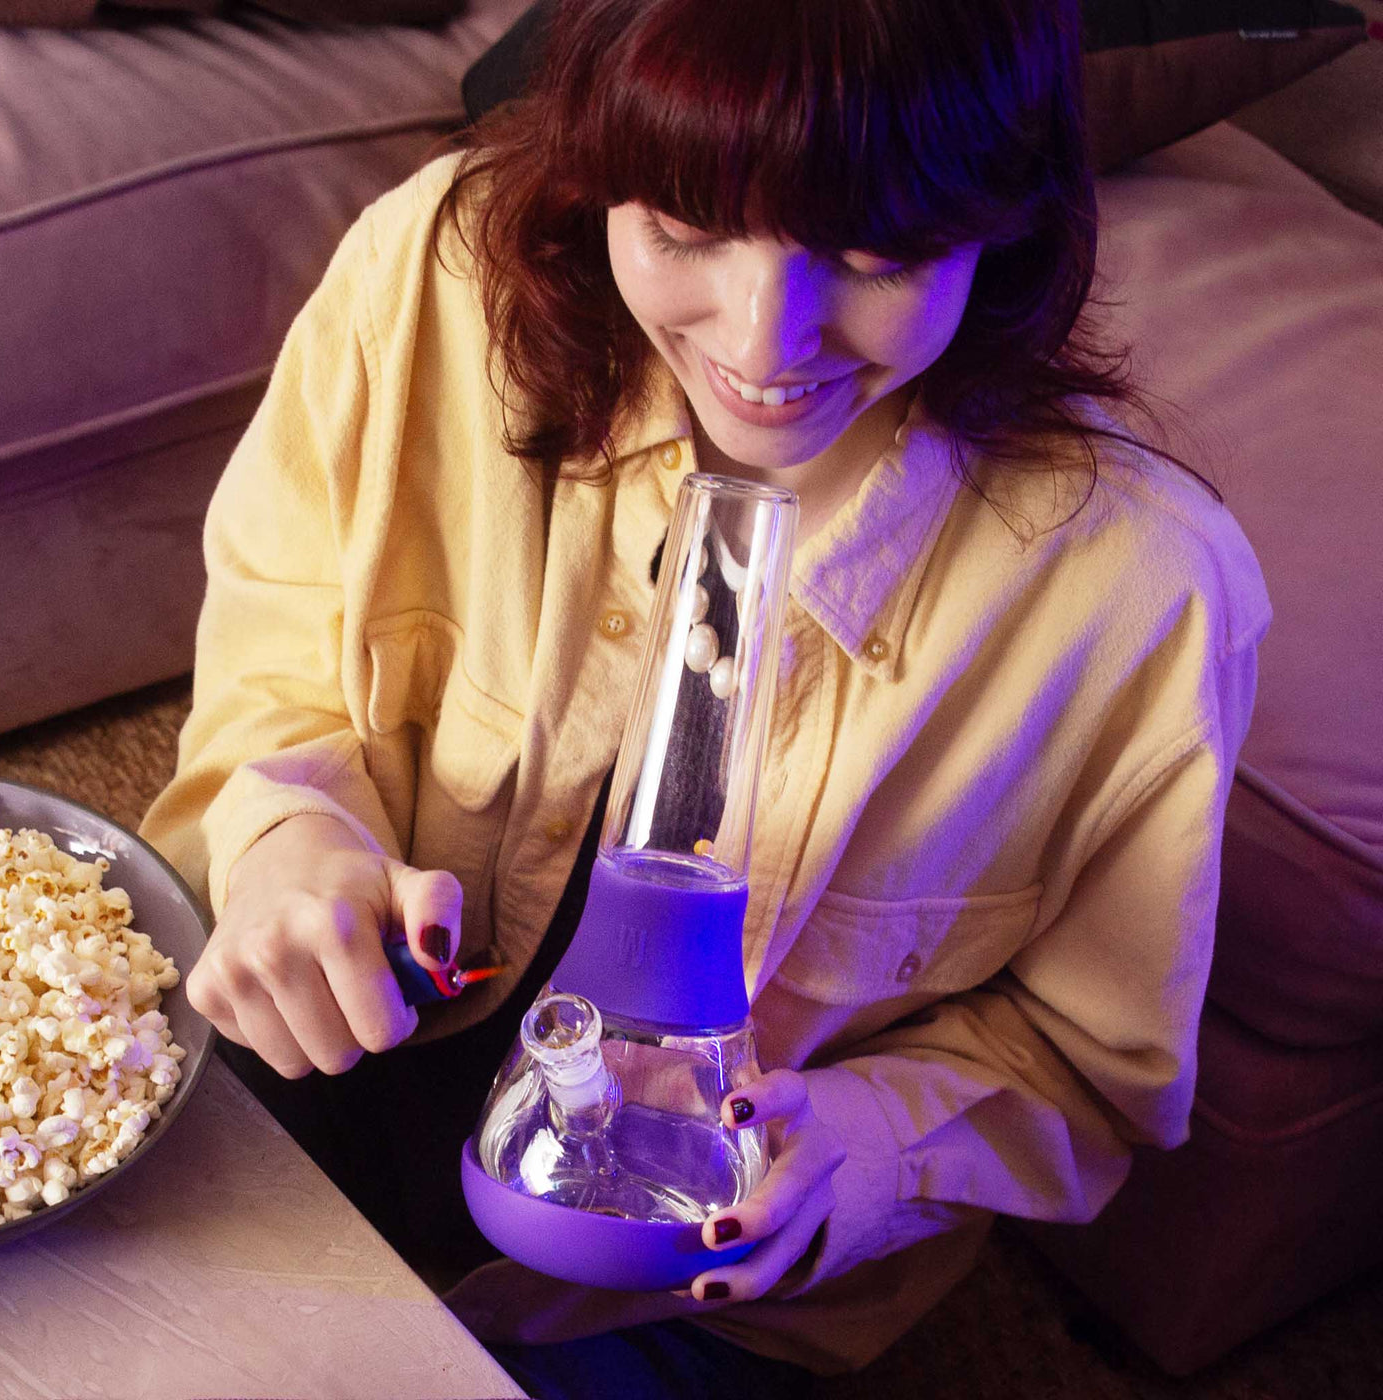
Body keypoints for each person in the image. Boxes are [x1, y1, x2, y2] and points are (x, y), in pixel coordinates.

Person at [139, 0, 1271, 1395]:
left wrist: (872, 1144)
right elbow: (281, 649)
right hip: (319, 1084)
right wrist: (291, 841)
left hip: (682, 1299)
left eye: (875, 250)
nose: (763, 340)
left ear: (1004, 219)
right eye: (682, 223)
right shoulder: (433, 275)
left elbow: (1087, 1072)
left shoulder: (1142, 593)